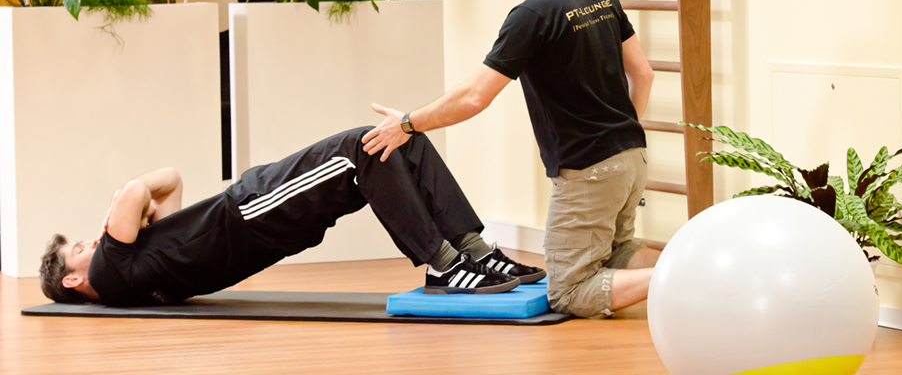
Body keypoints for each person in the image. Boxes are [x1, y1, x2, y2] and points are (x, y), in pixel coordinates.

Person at [362, 0, 658, 319]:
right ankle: (688, 272)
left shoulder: (532, 14)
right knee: (616, 252)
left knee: (569, 291)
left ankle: (680, 279)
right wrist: (622, 138)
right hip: (632, 156)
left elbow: (474, 97)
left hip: (590, 168)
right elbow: (643, 74)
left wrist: (408, 123)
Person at [39, 126, 544, 306]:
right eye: (79, 249)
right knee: (364, 146)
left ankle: (473, 252)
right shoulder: (108, 272)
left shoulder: (137, 273)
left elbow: (169, 180)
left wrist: (144, 209)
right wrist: (121, 205)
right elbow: (135, 189)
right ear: (74, 279)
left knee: (394, 140)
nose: (93, 239)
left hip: (260, 226)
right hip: (251, 210)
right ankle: (444, 264)